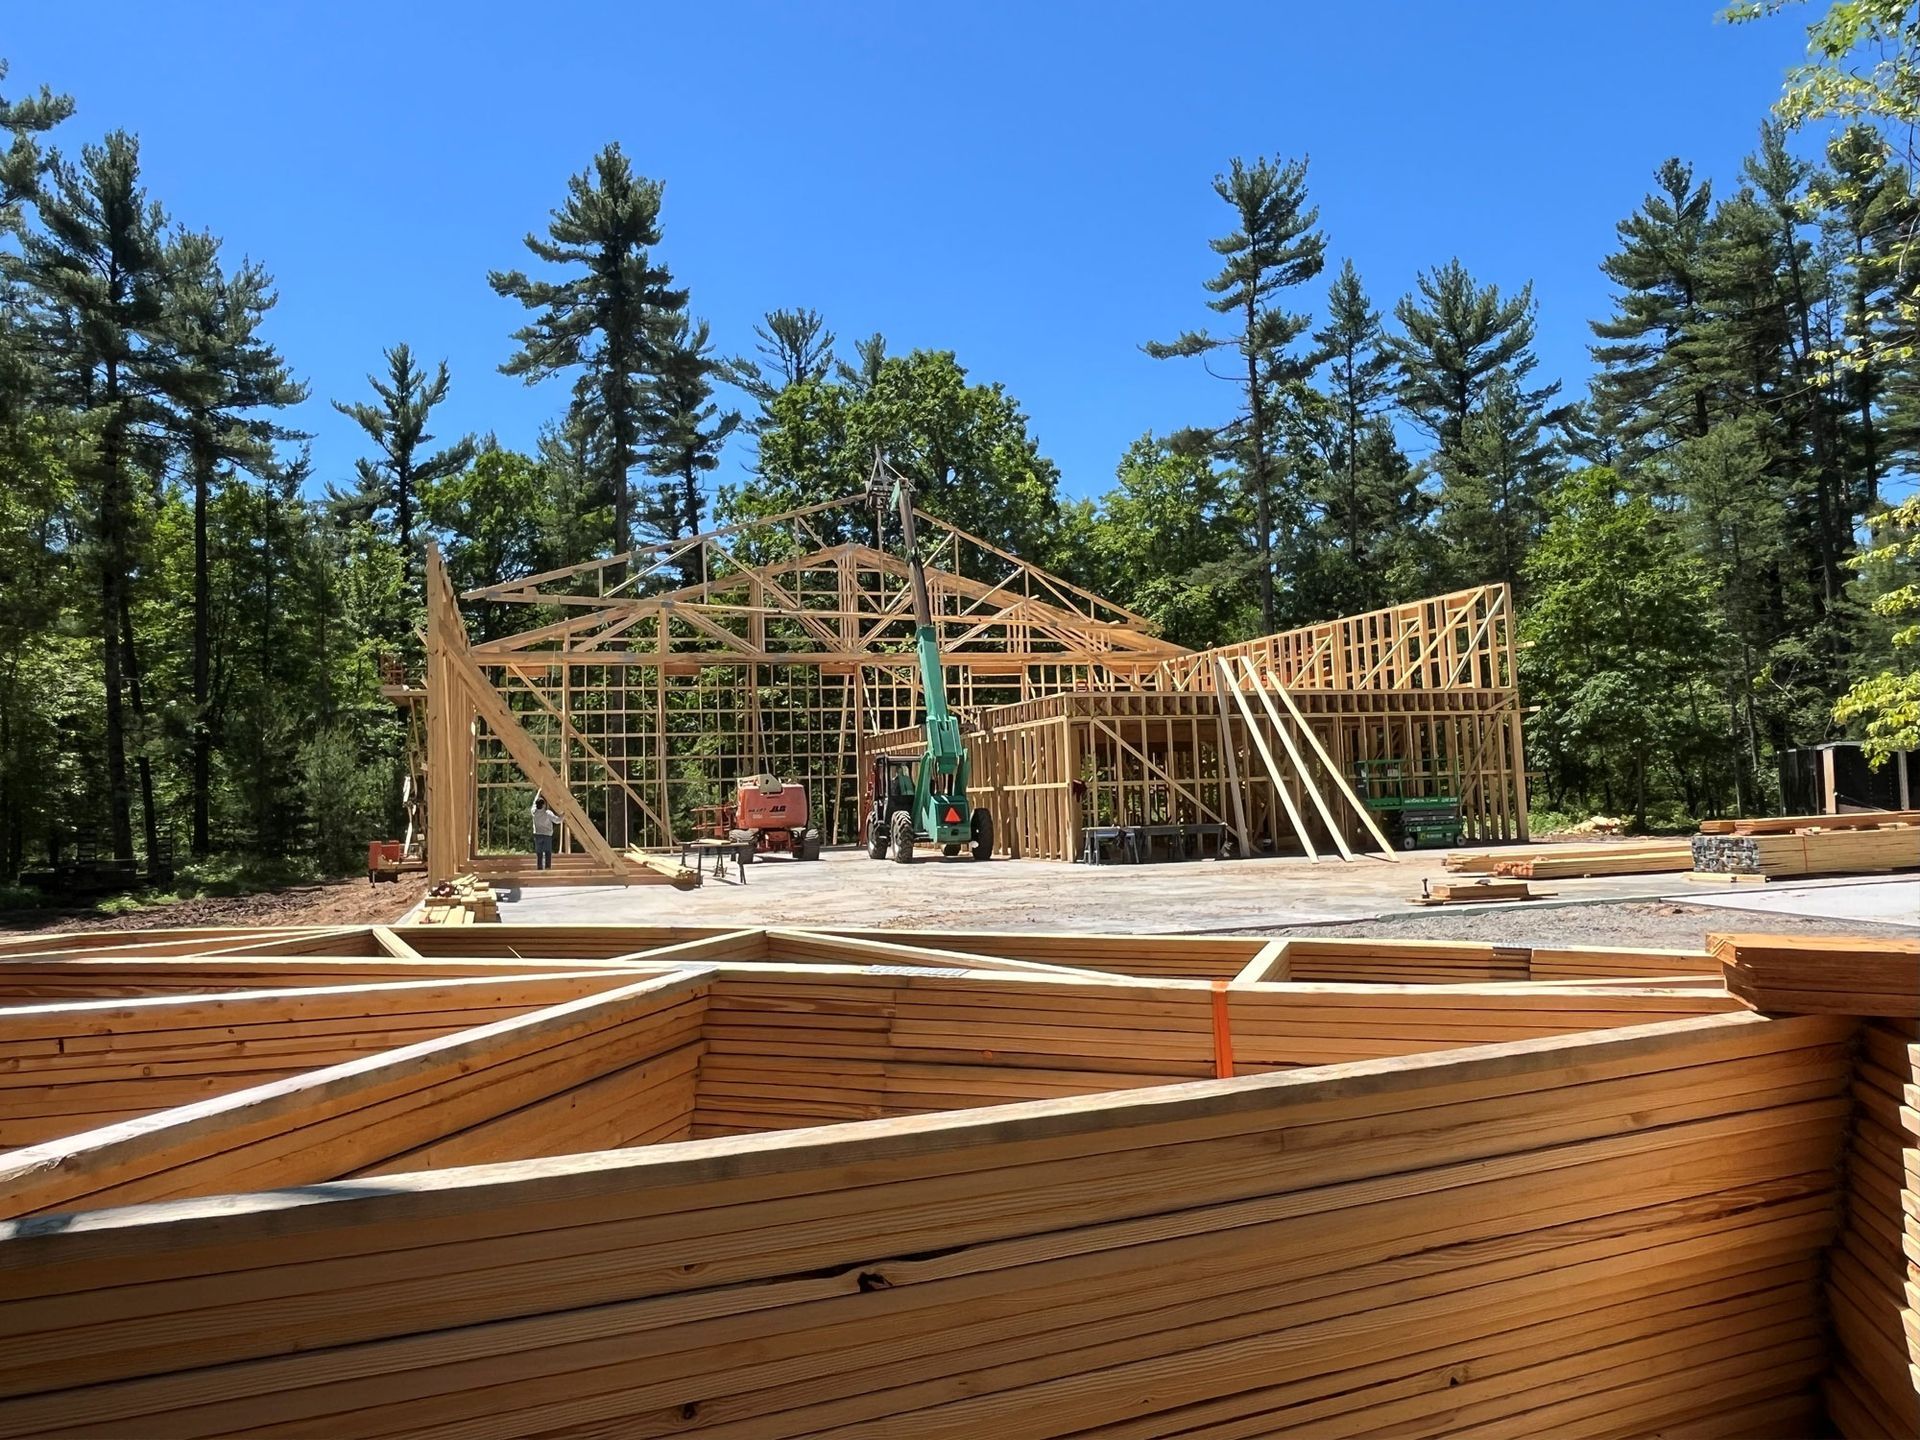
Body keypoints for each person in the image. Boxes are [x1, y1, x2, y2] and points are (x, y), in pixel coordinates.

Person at [530, 792, 560, 871]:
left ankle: (539, 868)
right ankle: (547, 868)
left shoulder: (534, 812)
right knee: (547, 853)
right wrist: (563, 815)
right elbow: (557, 821)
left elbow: (534, 802)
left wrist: (538, 792)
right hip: (547, 835)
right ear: (543, 805)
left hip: (537, 835)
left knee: (539, 853)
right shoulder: (548, 813)